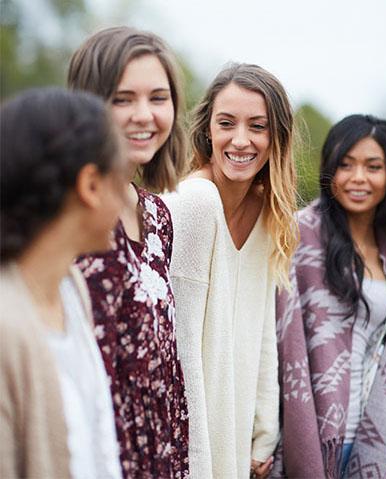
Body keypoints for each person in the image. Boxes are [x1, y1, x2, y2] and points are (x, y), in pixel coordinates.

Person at [163, 63, 298, 479]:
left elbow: (262, 333)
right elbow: (179, 351)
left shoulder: (272, 215)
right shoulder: (193, 202)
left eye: (257, 126)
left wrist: (262, 435)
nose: (241, 140)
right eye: (227, 123)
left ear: (276, 137)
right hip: (188, 450)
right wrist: (198, 465)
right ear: (207, 131)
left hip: (236, 445)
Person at [68, 26, 189, 478]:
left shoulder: (158, 215)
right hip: (91, 454)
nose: (145, 115)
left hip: (160, 454)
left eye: (158, 98)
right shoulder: (65, 210)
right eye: (123, 99)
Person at [0, 87, 127, 479]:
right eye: (121, 177)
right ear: (91, 185)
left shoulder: (71, 290)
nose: (126, 198)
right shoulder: (6, 328)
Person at [271, 115, 386, 478]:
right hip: (308, 432)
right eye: (346, 165)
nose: (358, 178)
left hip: (372, 436)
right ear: (330, 169)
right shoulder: (299, 234)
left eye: (373, 167)